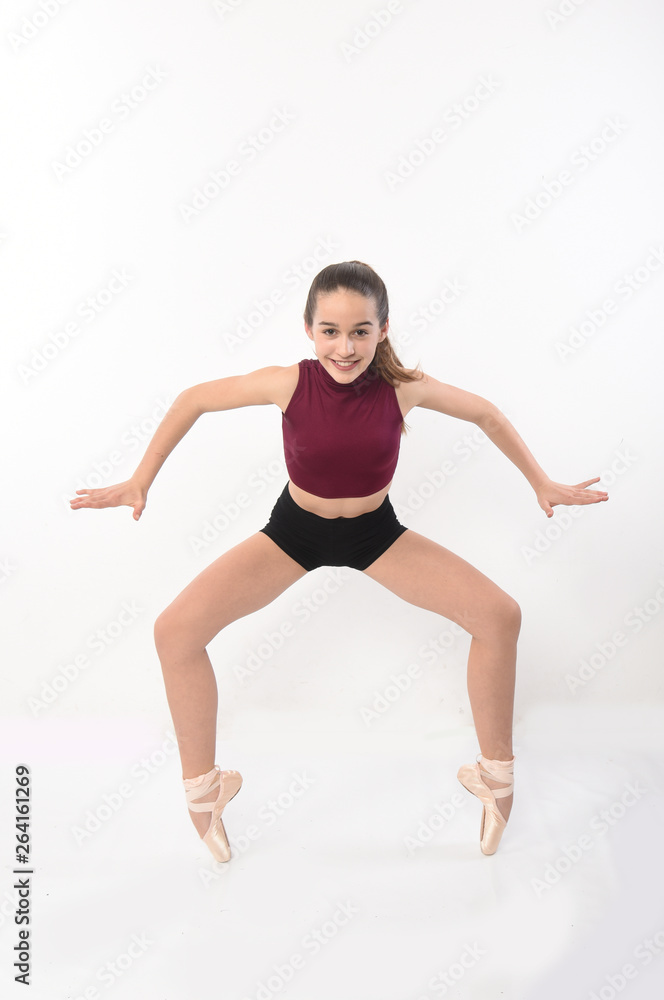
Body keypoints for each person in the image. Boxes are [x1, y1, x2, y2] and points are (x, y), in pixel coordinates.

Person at [70, 260, 608, 859]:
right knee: (175, 631)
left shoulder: (405, 387)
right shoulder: (287, 383)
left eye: (359, 330)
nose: (344, 346)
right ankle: (205, 791)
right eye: (330, 330)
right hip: (294, 532)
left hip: (375, 535)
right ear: (308, 329)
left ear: (382, 329)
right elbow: (193, 401)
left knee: (499, 616)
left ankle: (494, 775)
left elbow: (486, 414)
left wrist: (542, 482)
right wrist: (140, 480)